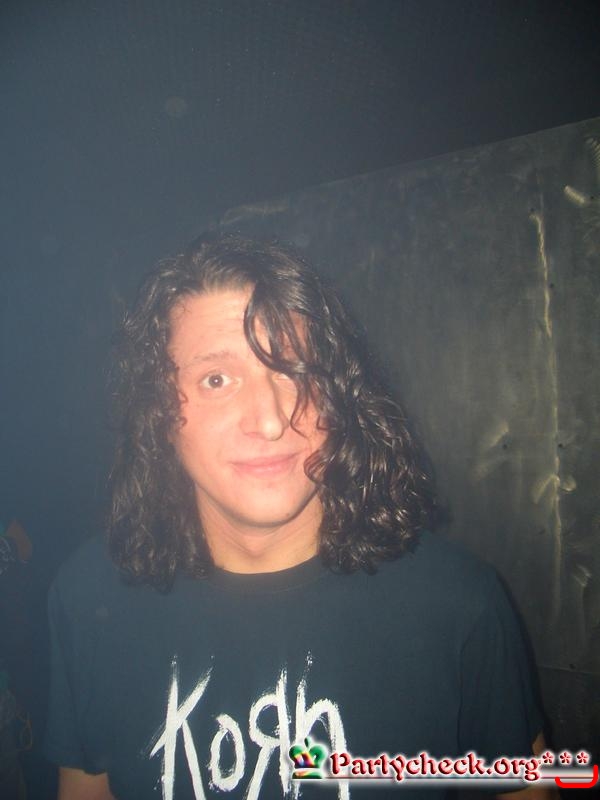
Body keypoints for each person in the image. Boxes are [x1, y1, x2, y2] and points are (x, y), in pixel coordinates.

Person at [45, 234, 550, 800]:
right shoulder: (89, 596)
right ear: (156, 412)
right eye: (216, 379)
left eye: (293, 369)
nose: (269, 421)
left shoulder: (457, 603)